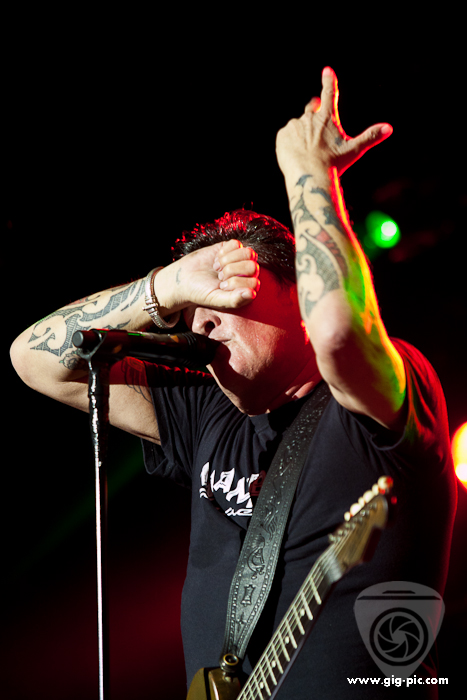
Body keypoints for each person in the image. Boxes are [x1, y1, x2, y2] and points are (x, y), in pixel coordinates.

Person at [10, 67, 457, 698]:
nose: (201, 320)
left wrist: (308, 170)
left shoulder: (378, 397)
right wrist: (167, 287)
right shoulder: (206, 414)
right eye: (193, 310)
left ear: (300, 295)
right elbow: (33, 359)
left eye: (229, 292)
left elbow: (337, 332)